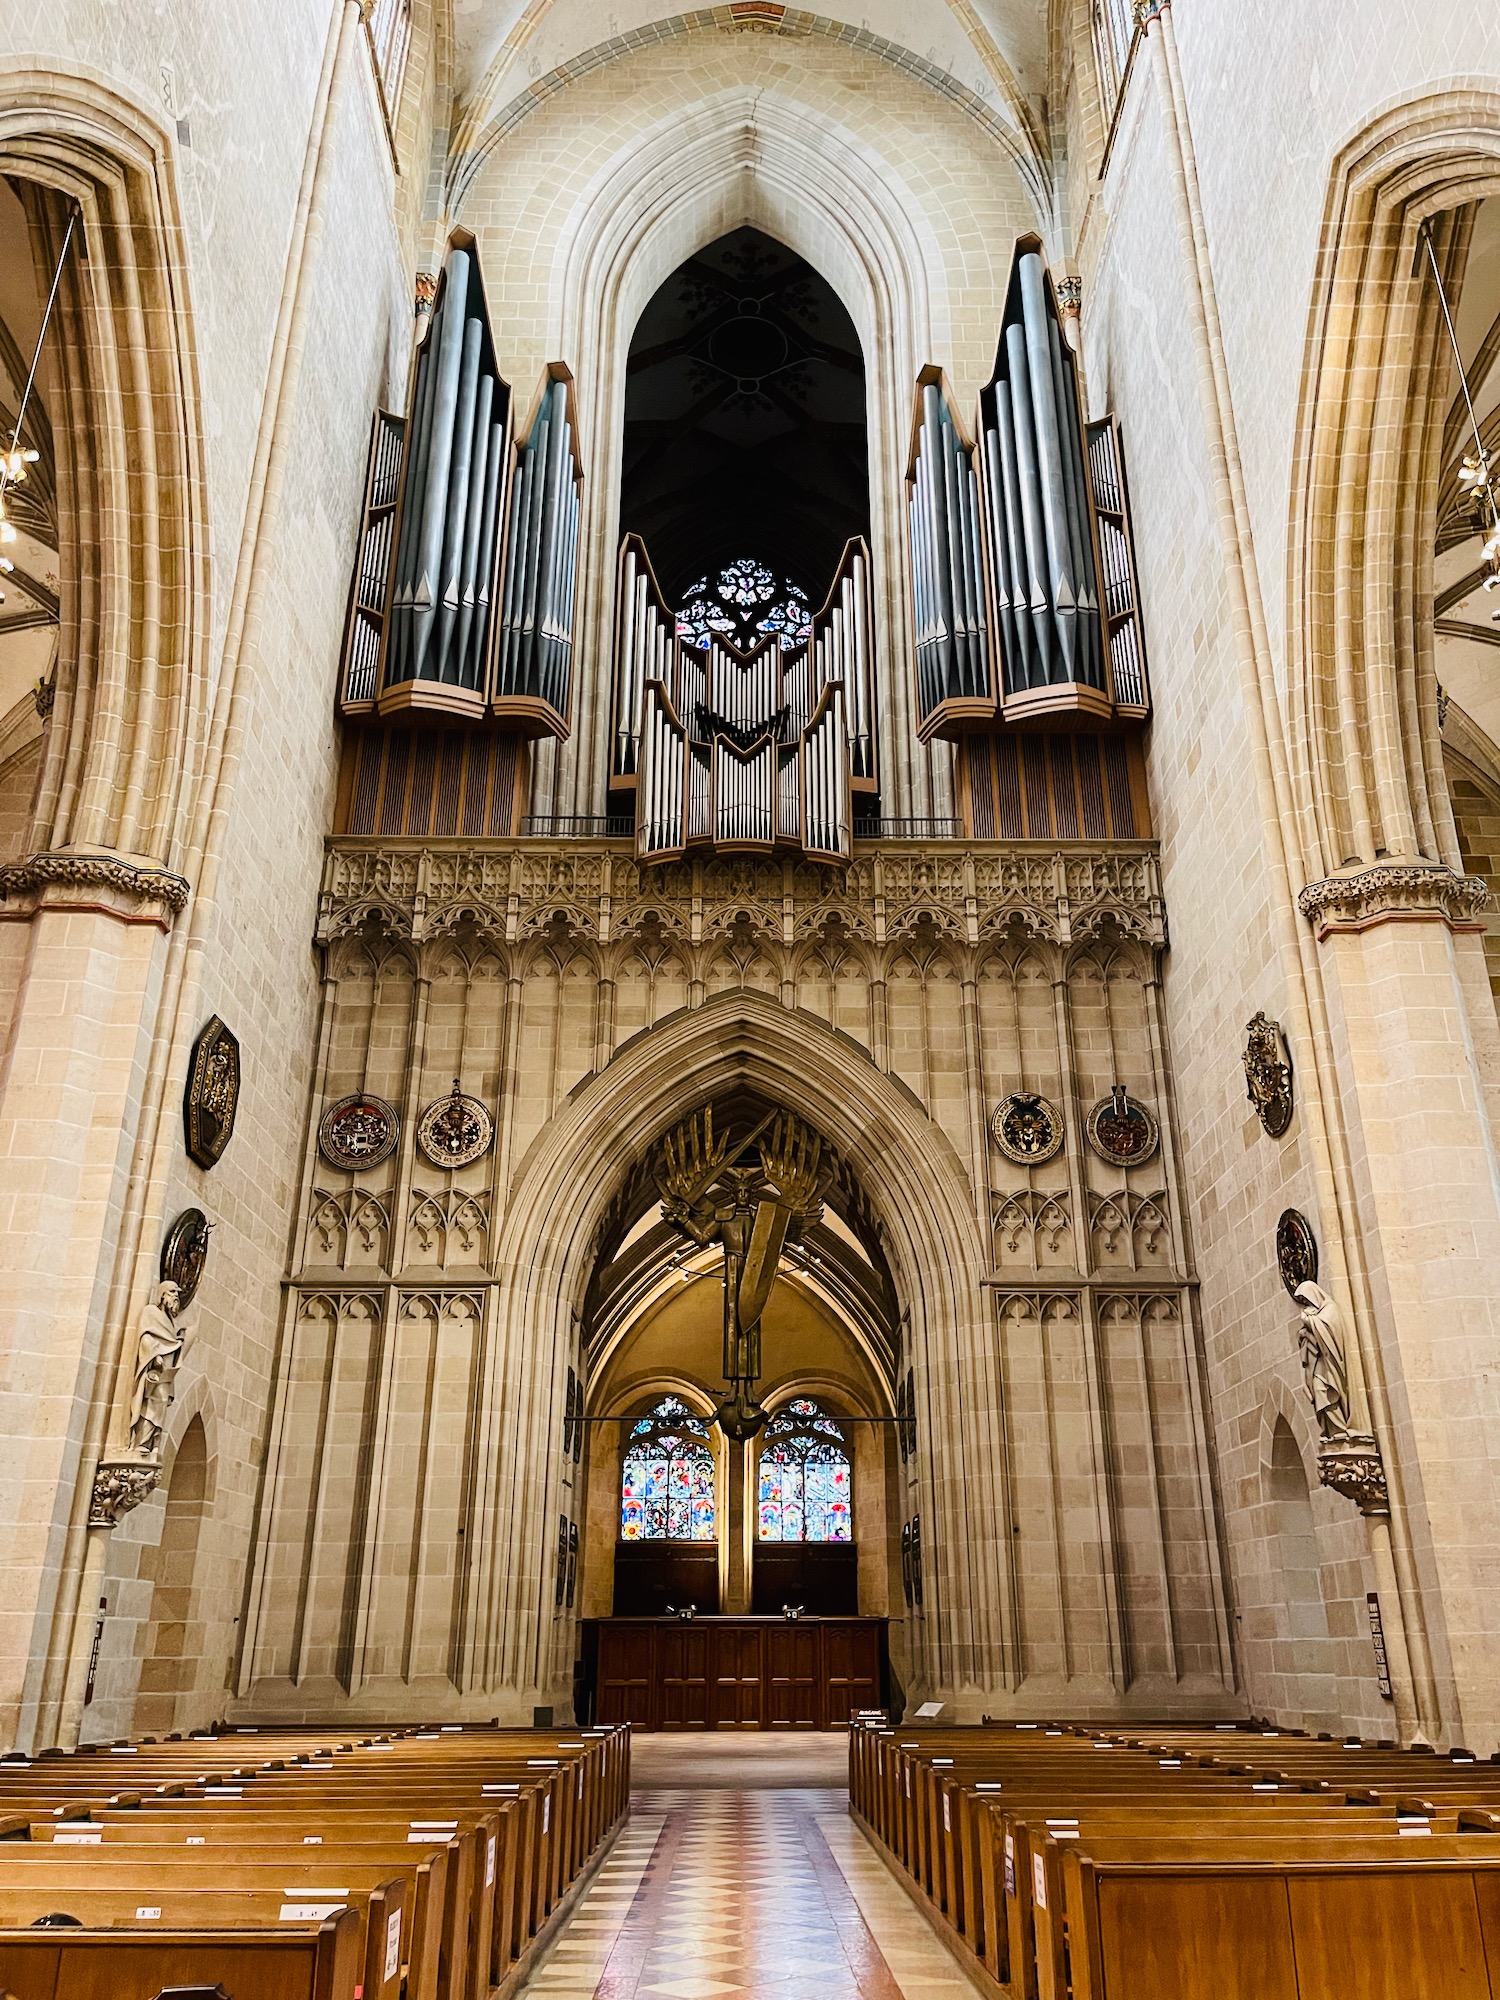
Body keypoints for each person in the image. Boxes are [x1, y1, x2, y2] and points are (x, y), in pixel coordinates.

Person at [1294, 1281, 1352, 1441]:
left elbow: (1329, 1334)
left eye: (1306, 1300)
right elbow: (1313, 1341)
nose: (1305, 1305)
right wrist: (1304, 1334)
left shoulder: (1329, 1309)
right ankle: (1332, 1431)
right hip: (1318, 1363)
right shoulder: (1316, 1314)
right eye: (1303, 1302)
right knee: (1318, 1391)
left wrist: (1309, 1321)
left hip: (1329, 1363)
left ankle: (1340, 1429)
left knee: (1324, 1391)